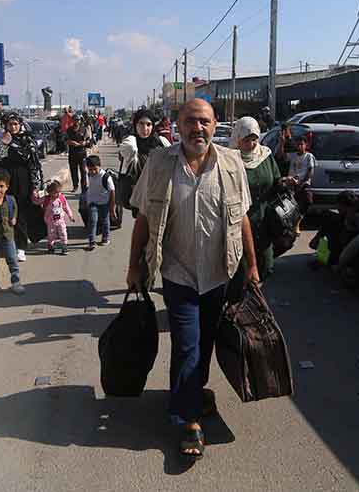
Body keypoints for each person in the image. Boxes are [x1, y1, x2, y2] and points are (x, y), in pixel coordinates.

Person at [126, 98, 259, 460]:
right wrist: (134, 265)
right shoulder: (158, 162)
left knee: (206, 344)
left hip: (219, 274)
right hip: (177, 273)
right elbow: (142, 220)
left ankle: (188, 393)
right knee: (187, 343)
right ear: (178, 125)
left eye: (204, 122)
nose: (196, 128)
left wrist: (251, 265)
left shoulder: (232, 164)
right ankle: (189, 421)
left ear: (216, 126)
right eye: (189, 122)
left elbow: (242, 217)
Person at [228, 117, 282, 293]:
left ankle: (253, 307)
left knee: (265, 266)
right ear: (237, 139)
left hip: (264, 223)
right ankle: (237, 311)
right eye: (246, 140)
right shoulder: (230, 160)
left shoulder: (265, 155)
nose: (251, 144)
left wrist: (284, 183)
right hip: (238, 227)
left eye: (254, 139)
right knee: (240, 272)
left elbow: (275, 181)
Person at [0, 113, 45, 262]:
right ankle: (11, 244)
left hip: (24, 181)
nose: (13, 127)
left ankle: (21, 247)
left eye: (16, 124)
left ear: (20, 124)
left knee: (21, 213)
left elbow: (34, 164)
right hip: (6, 181)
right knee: (7, 212)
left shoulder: (28, 140)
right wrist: (3, 143)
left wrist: (37, 186)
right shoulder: (1, 140)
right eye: (10, 124)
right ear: (6, 126)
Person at [83, 155, 116, 251]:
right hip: (92, 202)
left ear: (100, 166)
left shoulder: (106, 177)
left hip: (104, 203)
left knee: (105, 221)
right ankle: (91, 241)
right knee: (93, 221)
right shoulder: (88, 174)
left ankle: (105, 238)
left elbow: (112, 191)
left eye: (94, 169)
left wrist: (112, 208)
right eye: (90, 169)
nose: (92, 172)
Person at [33, 180, 74, 255]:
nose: (58, 194)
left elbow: (66, 207)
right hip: (50, 221)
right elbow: (36, 201)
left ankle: (64, 246)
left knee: (63, 233)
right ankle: (51, 245)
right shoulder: (46, 199)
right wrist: (34, 194)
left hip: (60, 220)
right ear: (50, 192)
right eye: (55, 192)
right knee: (51, 234)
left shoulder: (61, 198)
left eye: (59, 192)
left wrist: (70, 216)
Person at [285, 135, 316, 233]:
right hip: (292, 182)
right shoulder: (293, 156)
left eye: (301, 144)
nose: (299, 146)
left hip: (303, 183)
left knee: (308, 200)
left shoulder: (309, 156)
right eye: (298, 144)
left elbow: (310, 171)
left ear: (305, 145)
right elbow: (282, 155)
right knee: (292, 205)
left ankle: (298, 222)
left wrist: (302, 183)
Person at [66, 118, 90, 191]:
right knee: (73, 171)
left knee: (83, 171)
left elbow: (89, 140)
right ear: (72, 121)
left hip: (82, 153)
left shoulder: (84, 129)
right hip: (72, 153)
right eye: (75, 120)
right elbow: (65, 140)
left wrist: (85, 143)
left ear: (80, 121)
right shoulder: (69, 130)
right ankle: (75, 186)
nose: (76, 121)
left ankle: (84, 186)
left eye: (78, 120)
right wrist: (71, 142)